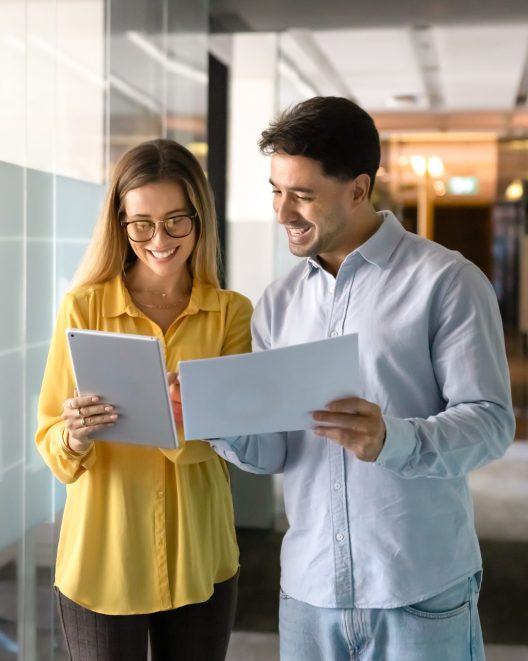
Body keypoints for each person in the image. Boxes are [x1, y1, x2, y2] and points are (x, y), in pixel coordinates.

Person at [206, 96, 514, 660]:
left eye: (302, 195)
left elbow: (491, 423)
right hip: (308, 594)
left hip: (416, 589)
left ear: (358, 188)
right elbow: (274, 451)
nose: (282, 213)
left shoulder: (445, 282)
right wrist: (214, 419)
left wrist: (392, 439)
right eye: (276, 190)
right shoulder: (277, 304)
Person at [35, 138, 252, 661]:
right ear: (121, 224)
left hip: (199, 554)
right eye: (142, 224)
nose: (160, 239)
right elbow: (51, 440)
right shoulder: (83, 308)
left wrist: (178, 417)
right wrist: (74, 434)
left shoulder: (230, 314)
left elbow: (238, 438)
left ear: (200, 218)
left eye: (177, 220)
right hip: (103, 559)